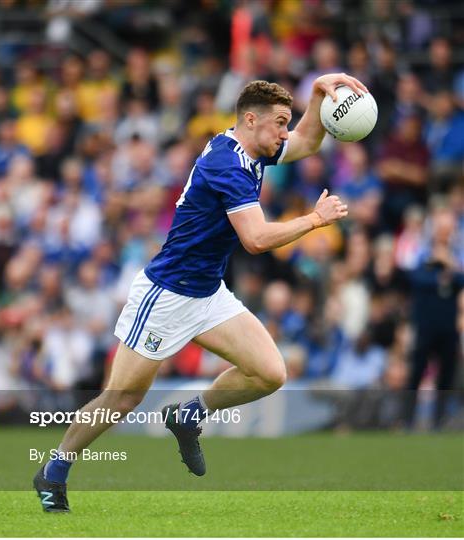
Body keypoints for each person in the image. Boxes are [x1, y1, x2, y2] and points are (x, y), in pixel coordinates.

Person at [33, 74, 366, 512]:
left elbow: (306, 142)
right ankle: (54, 468)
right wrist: (314, 219)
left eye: (287, 121)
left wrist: (320, 95)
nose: (286, 132)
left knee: (269, 373)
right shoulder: (227, 165)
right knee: (123, 398)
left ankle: (189, 413)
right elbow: (256, 239)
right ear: (251, 119)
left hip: (208, 293)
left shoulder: (251, 148)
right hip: (167, 294)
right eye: (280, 122)